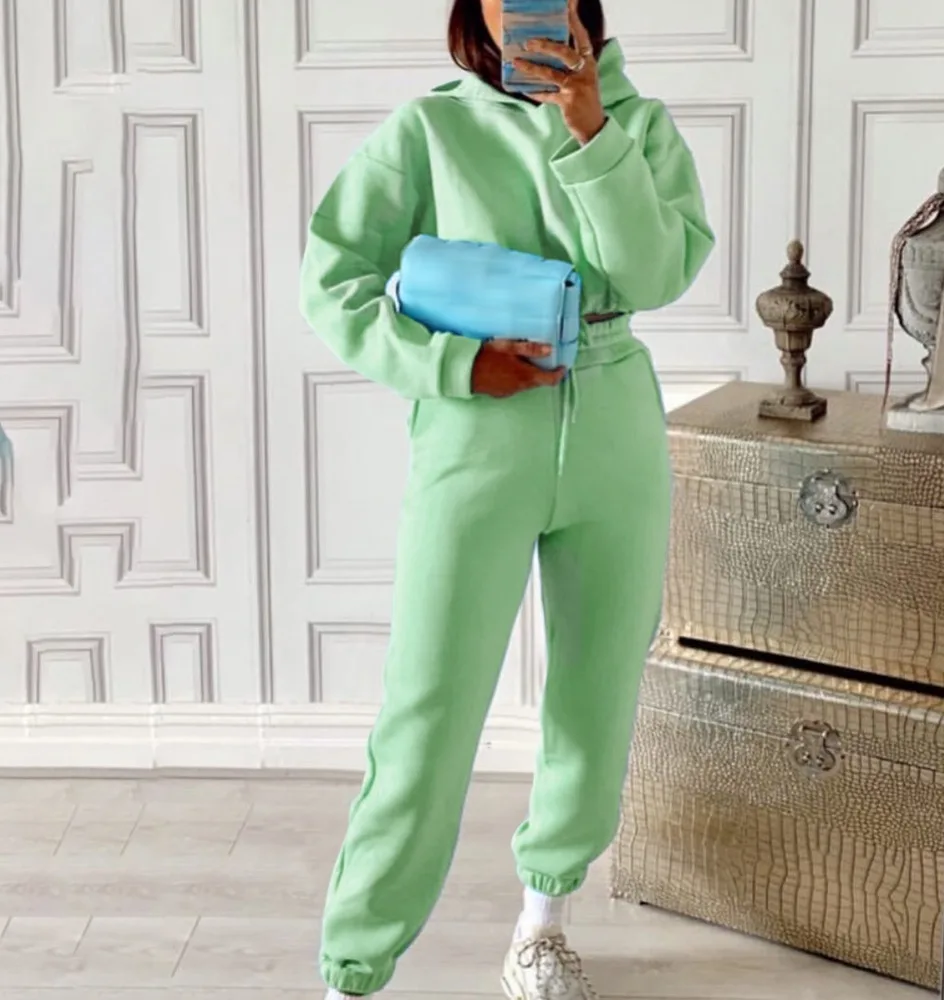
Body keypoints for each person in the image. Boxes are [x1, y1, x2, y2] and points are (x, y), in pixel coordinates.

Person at [299, 0, 714, 996]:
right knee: (429, 705)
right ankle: (353, 969)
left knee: (596, 694)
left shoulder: (637, 124)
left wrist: (590, 131)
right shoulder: (428, 129)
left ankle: (542, 926)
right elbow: (332, 280)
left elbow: (655, 273)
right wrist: (450, 363)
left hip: (614, 420)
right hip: (474, 429)